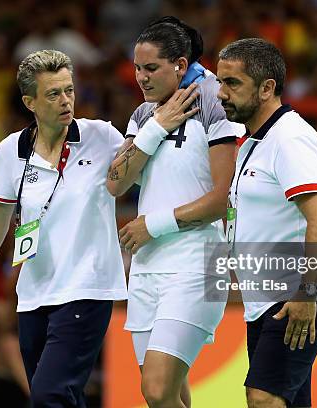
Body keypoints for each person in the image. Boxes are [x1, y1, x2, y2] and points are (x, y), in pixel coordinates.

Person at [0, 49, 128, 407]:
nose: (66, 100)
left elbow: (142, 171)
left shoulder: (102, 137)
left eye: (69, 90)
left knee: (49, 395)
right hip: (34, 296)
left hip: (87, 288)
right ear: (30, 102)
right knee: (60, 398)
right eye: (53, 94)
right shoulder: (10, 151)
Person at [106, 16, 242, 408]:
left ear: (180, 65)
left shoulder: (216, 102)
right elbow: (116, 182)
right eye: (137, 68)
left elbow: (222, 199)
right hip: (148, 269)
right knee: (167, 396)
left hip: (199, 262)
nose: (141, 78)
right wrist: (157, 125)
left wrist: (154, 224)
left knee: (157, 389)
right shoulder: (143, 115)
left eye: (151, 68)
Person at [216, 38, 317, 407]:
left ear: (267, 87)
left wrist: (307, 294)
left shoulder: (290, 140)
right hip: (267, 295)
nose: (222, 93)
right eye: (221, 82)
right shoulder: (254, 139)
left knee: (264, 398)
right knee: (286, 399)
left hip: (295, 292)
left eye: (233, 84)